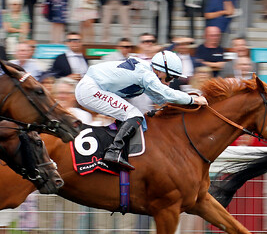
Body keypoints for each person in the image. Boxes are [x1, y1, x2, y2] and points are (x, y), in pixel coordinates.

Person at [75, 51, 208, 170]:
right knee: (134, 114)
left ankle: (117, 149)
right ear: (159, 71)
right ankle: (113, 152)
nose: (169, 82)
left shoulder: (147, 71)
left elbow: (160, 99)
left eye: (172, 79)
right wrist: (193, 100)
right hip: (90, 90)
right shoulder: (146, 74)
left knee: (132, 115)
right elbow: (167, 93)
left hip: (90, 88)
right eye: (169, 78)